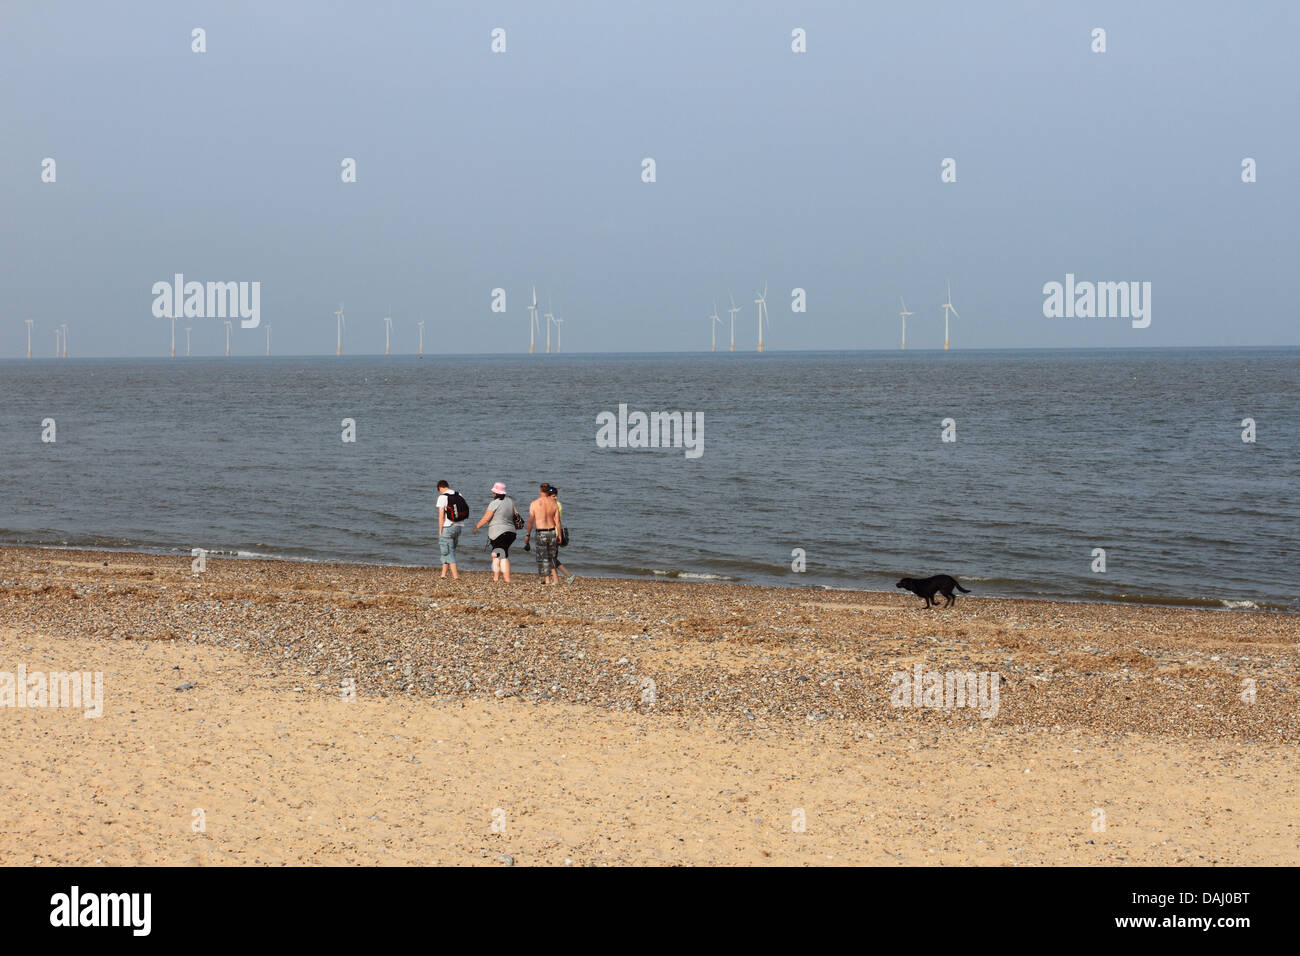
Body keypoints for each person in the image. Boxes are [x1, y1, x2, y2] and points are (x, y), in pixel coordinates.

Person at [472, 481, 518, 582]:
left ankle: (506, 580)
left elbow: (486, 518)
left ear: (496, 493)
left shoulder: (494, 503)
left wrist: (477, 527)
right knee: (497, 554)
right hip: (511, 533)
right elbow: (516, 515)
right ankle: (496, 578)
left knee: (501, 555)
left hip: (499, 533)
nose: (493, 494)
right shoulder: (510, 501)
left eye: (494, 492)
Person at [525, 482, 561, 585]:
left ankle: (547, 580)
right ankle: (556, 580)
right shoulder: (554, 503)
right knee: (552, 557)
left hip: (541, 532)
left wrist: (528, 534)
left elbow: (531, 521)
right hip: (552, 531)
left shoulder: (534, 503)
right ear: (548, 491)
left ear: (540, 491)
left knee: (543, 557)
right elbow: (557, 521)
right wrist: (560, 535)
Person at [435, 480, 466, 580]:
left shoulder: (442, 497)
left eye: (438, 490)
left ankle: (456, 577)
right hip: (459, 527)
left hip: (448, 527)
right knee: (447, 550)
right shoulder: (459, 494)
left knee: (448, 551)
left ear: (440, 487)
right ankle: (443, 575)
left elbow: (441, 515)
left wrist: (440, 529)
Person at [548, 484, 577, 584]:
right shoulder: (554, 504)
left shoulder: (556, 505)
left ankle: (566, 576)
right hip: (551, 533)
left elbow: (557, 521)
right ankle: (566, 576)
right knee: (552, 558)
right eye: (553, 496)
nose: (555, 497)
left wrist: (559, 535)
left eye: (556, 495)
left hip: (553, 533)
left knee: (550, 558)